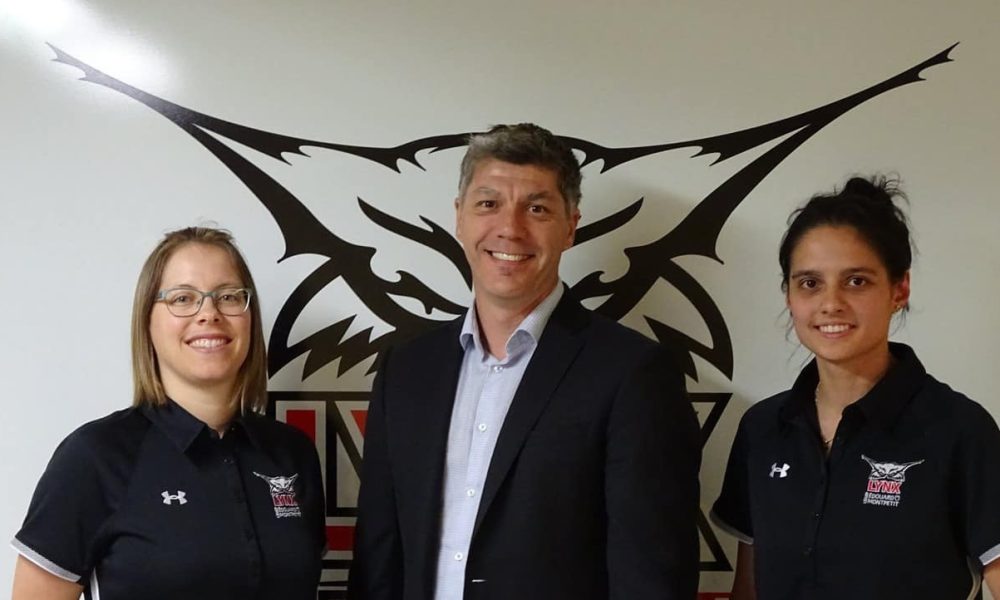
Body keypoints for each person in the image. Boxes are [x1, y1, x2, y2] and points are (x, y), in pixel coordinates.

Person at [347, 123, 701, 600]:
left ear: (571, 225)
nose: (510, 228)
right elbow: (379, 557)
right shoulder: (406, 370)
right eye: (488, 204)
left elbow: (651, 575)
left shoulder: (633, 373)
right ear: (460, 217)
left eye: (537, 208)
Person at [711, 176, 1000, 599]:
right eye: (810, 283)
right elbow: (750, 589)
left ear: (899, 288)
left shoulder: (959, 429)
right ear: (789, 295)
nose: (831, 303)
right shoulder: (763, 429)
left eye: (856, 281)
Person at [11, 227, 326, 600]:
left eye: (227, 296)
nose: (208, 313)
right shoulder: (96, 456)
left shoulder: (292, 453)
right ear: (148, 321)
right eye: (182, 298)